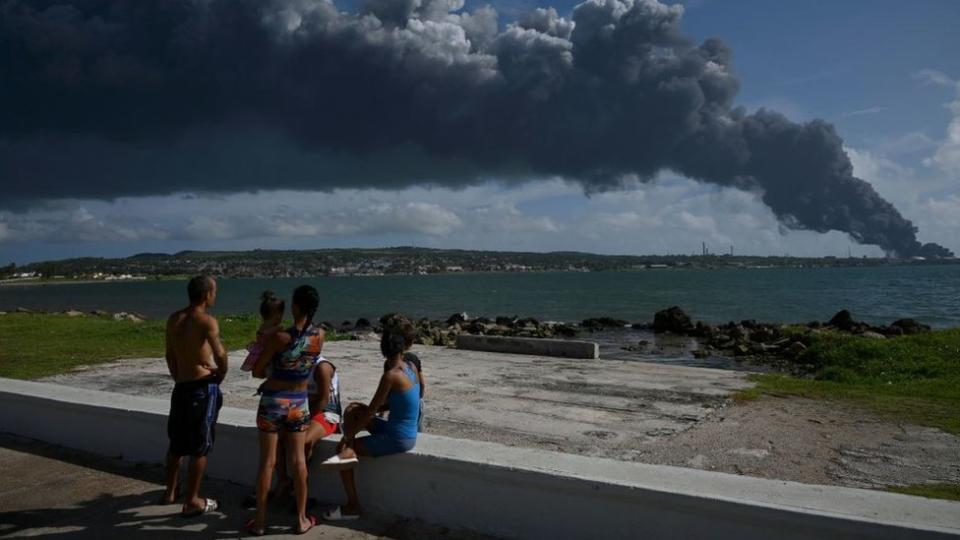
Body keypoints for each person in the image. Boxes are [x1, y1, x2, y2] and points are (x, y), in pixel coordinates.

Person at [320, 315, 422, 521]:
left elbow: (371, 412)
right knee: (354, 410)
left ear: (383, 348)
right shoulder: (410, 367)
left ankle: (353, 505)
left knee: (343, 449)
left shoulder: (391, 375)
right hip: (404, 431)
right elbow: (401, 401)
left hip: (397, 438)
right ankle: (344, 454)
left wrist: (349, 436)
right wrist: (359, 410)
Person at [246, 285, 324, 536]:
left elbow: (257, 371)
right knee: (299, 461)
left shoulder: (280, 338)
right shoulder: (320, 336)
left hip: (273, 402)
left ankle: (259, 522)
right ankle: (301, 519)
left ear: (296, 306)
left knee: (267, 462)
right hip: (299, 403)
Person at [161, 275, 228, 518]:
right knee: (200, 446)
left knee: (176, 443)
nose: (215, 296)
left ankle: (170, 492)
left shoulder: (174, 319)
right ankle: (192, 501)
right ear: (207, 294)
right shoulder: (206, 321)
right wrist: (220, 374)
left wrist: (178, 375)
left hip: (181, 387)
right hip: (201, 387)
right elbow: (220, 354)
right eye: (214, 291)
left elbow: (169, 354)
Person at [240, 291, 285, 372]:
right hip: (269, 354)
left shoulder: (262, 326)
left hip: (260, 353)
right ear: (278, 315)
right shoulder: (276, 329)